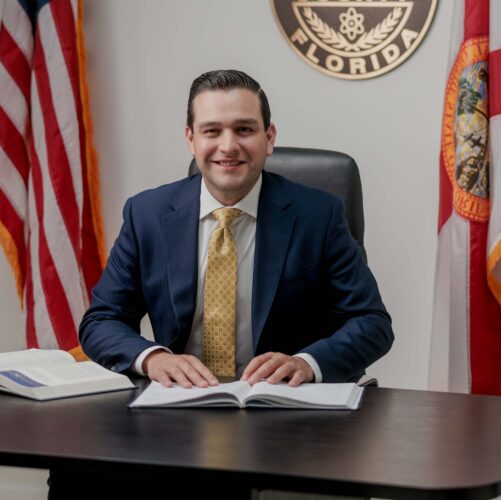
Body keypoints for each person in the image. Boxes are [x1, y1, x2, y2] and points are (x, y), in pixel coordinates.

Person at [78, 69, 393, 390]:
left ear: (269, 137)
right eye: (212, 131)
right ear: (191, 139)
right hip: (180, 401)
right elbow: (102, 320)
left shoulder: (319, 216)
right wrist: (153, 358)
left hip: (282, 400)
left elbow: (372, 322)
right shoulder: (147, 214)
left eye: (244, 129)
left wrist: (307, 363)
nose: (228, 146)